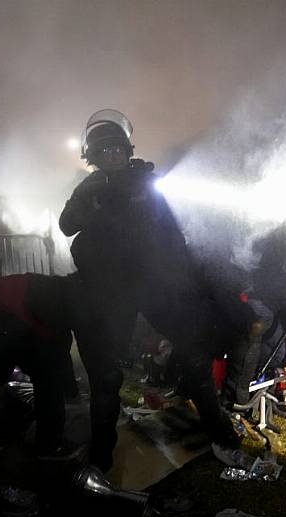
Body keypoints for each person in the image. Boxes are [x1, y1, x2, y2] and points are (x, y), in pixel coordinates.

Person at [60, 109, 238, 471]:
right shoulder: (89, 189)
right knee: (107, 375)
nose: (113, 157)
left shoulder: (146, 182)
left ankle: (218, 428)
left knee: (193, 352)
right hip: (113, 292)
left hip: (155, 285)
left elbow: (173, 233)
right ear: (93, 158)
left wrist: (184, 279)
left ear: (127, 152)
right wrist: (86, 200)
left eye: (117, 151)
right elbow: (67, 226)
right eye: (104, 152)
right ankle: (101, 457)